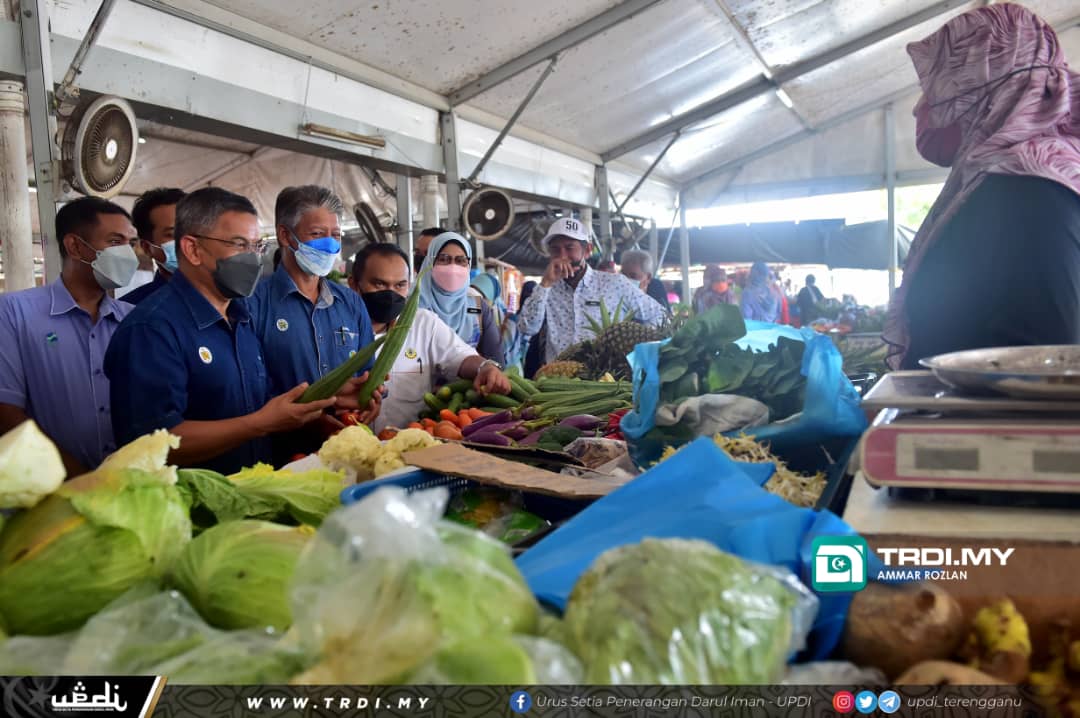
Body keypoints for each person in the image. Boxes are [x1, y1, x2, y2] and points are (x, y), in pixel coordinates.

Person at [105, 187, 355, 474]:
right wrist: (258, 424)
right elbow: (148, 444)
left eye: (257, 246)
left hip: (251, 489)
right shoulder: (151, 329)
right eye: (239, 244)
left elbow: (258, 402)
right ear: (193, 249)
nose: (252, 258)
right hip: (191, 498)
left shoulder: (241, 318)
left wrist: (317, 411)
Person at [883, 4, 1080, 369]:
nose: (918, 108)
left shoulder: (1029, 188)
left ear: (980, 87)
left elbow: (1041, 366)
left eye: (936, 88)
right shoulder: (1013, 180)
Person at [0, 197, 139, 475]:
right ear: (75, 246)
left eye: (131, 243)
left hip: (131, 483)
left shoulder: (134, 320)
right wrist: (79, 478)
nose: (128, 254)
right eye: (115, 242)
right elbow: (6, 412)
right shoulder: (14, 312)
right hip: (51, 486)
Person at [248, 185, 380, 458]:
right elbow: (249, 390)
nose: (329, 244)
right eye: (317, 234)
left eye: (336, 235)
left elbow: (368, 372)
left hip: (349, 451)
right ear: (285, 235)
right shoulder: (253, 304)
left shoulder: (351, 303)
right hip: (279, 458)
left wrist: (372, 396)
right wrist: (312, 417)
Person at [348, 243, 512, 432]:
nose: (391, 293)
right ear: (354, 284)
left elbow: (460, 356)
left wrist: (485, 367)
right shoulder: (331, 327)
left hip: (410, 443)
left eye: (400, 285)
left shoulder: (424, 323)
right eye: (379, 284)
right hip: (344, 442)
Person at [518, 218, 666, 363]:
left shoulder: (614, 283)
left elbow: (659, 315)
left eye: (569, 248)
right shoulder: (546, 290)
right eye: (555, 249)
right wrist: (545, 284)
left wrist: (636, 346)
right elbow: (527, 328)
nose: (562, 256)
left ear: (587, 250)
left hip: (604, 376)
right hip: (557, 375)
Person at [416, 232, 502, 361]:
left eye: (460, 260)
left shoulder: (478, 308)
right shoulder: (412, 308)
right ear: (430, 262)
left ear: (469, 265)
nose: (453, 267)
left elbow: (495, 359)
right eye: (444, 259)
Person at [122, 188, 186, 305]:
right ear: (147, 248)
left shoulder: (221, 295)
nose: (190, 241)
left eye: (196, 230)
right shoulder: (131, 308)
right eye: (173, 234)